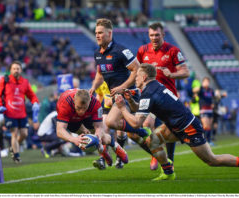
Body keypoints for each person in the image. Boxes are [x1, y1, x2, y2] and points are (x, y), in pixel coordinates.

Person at [114, 63, 239, 180]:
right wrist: (130, 101)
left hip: (189, 127)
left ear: (144, 77)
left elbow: (136, 123)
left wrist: (122, 108)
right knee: (152, 141)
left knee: (212, 160)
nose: (135, 78)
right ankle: (168, 172)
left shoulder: (149, 92)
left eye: (137, 76)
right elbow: (139, 109)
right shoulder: (153, 86)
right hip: (175, 126)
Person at [89, 18, 152, 169]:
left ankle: (142, 131)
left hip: (128, 93)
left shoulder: (121, 50)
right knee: (106, 126)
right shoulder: (97, 53)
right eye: (96, 33)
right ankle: (109, 157)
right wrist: (93, 87)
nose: (97, 36)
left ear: (109, 33)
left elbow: (137, 69)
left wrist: (122, 87)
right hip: (113, 96)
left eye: (100, 33)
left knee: (111, 123)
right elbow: (100, 74)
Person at [136, 22, 190, 170]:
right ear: (148, 35)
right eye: (152, 35)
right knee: (146, 124)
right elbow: (137, 72)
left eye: (157, 35)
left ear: (163, 35)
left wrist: (172, 74)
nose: (154, 38)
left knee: (170, 128)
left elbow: (186, 72)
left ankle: (169, 161)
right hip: (149, 96)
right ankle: (155, 152)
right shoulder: (142, 51)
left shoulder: (172, 50)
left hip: (167, 98)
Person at [56, 88, 128, 169]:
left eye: (84, 108)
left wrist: (98, 138)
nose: (81, 112)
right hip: (72, 118)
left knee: (102, 137)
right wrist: (73, 139)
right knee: (85, 138)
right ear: (74, 101)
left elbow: (99, 127)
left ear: (89, 102)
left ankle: (116, 147)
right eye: (79, 107)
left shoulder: (95, 104)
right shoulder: (65, 104)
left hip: (87, 116)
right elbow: (59, 130)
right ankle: (102, 150)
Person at [0, 61, 40, 163]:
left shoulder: (25, 82)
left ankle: (13, 147)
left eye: (18, 68)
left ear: (21, 70)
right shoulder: (5, 80)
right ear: (10, 70)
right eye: (14, 68)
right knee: (14, 134)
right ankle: (16, 155)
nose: (16, 70)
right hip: (10, 113)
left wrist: (35, 102)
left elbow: (31, 95)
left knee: (24, 134)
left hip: (22, 113)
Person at [193, 77, 215, 145]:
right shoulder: (201, 89)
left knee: (209, 126)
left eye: (208, 82)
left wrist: (213, 103)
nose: (206, 83)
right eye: (205, 81)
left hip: (210, 110)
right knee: (205, 126)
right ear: (203, 82)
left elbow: (213, 98)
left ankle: (209, 140)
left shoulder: (210, 90)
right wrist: (199, 87)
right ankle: (204, 141)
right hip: (203, 109)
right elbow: (194, 90)